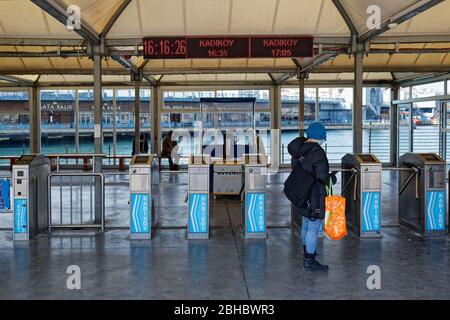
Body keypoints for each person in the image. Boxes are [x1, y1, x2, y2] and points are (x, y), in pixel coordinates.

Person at [288, 122, 337, 272]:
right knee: (314, 226)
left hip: (301, 193)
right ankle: (309, 260)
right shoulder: (317, 152)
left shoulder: (299, 150)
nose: (324, 140)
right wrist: (332, 178)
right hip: (314, 194)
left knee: (306, 224)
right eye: (323, 137)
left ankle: (306, 251)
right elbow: (322, 176)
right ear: (319, 137)